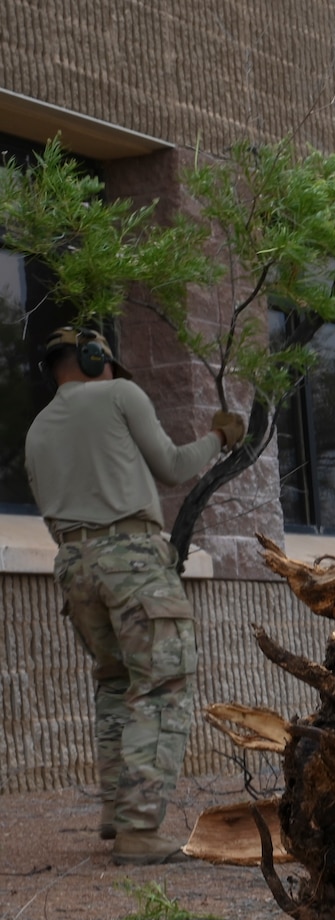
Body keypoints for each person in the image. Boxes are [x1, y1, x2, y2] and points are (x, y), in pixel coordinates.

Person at [24, 328, 245, 865]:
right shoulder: (120, 395)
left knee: (115, 682)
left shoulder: (36, 429)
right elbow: (171, 466)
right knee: (163, 686)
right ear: (97, 357)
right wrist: (220, 438)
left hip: (74, 567)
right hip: (131, 560)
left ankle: (115, 811)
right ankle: (140, 829)